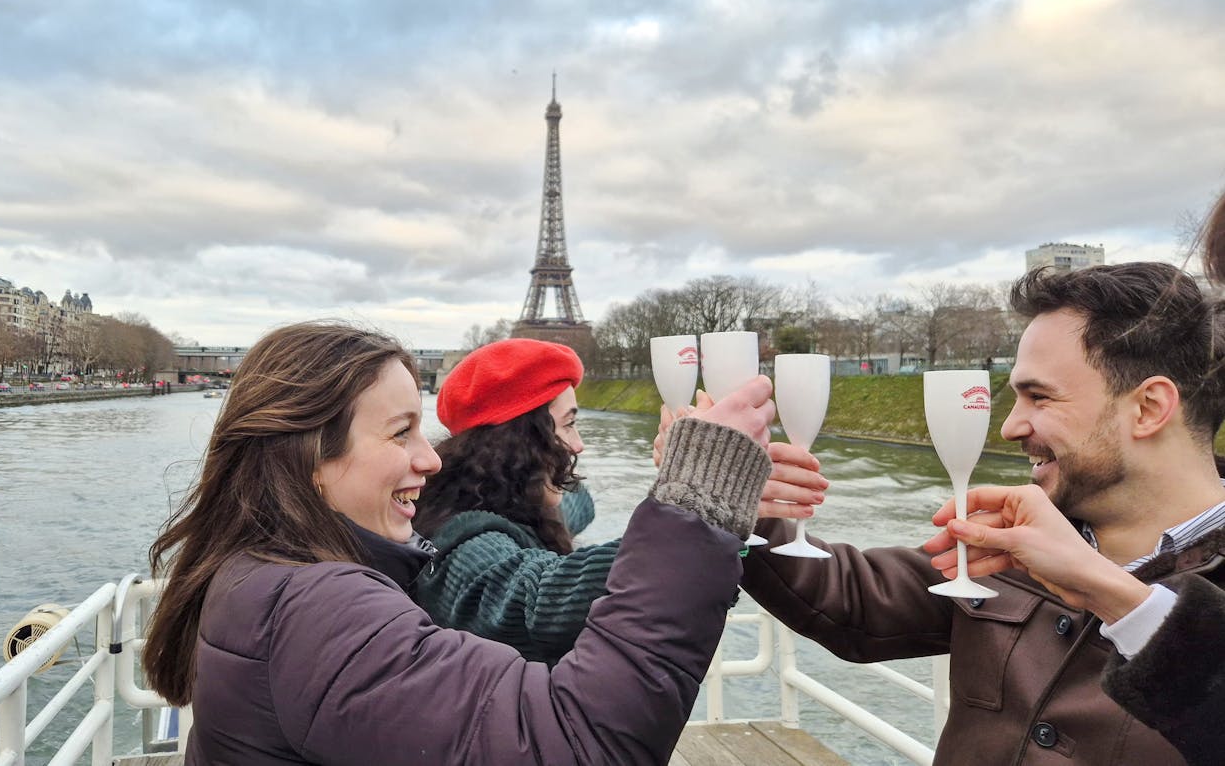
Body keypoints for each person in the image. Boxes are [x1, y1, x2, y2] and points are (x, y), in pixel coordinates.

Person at [142, 321, 776, 765]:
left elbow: (576, 507)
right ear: (309, 458)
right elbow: (579, 744)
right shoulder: (321, 611)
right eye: (400, 434)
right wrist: (702, 508)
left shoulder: (262, 570)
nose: (431, 459)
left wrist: (705, 514)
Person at [738, 261, 1225, 765]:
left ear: (1148, 408)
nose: (1010, 426)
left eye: (1039, 397)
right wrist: (730, 497)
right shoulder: (1021, 539)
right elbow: (857, 598)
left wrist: (1123, 602)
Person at [412, 338, 623, 664]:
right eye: (569, 424)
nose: (578, 445)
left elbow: (578, 503)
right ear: (522, 440)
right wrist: (686, 506)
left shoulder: (490, 504)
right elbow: (536, 601)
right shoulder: (463, 545)